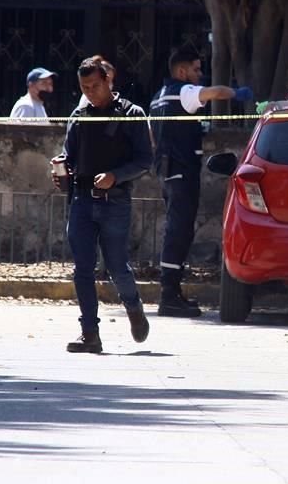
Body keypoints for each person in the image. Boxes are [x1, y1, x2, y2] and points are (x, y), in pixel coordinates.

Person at [57, 57, 153, 353]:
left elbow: (145, 160)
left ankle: (134, 307)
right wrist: (61, 168)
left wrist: (115, 176)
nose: (90, 92)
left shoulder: (131, 114)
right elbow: (68, 152)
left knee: (116, 266)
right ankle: (90, 333)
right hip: (82, 201)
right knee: (82, 268)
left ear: (108, 81)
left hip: (115, 201)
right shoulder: (80, 114)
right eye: (84, 87)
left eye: (95, 86)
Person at [150, 48, 253, 317]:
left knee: (176, 231)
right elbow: (215, 93)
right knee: (178, 233)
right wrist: (236, 93)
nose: (199, 75)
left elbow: (156, 135)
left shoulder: (158, 98)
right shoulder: (183, 91)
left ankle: (172, 293)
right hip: (182, 173)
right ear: (182, 71)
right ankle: (169, 295)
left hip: (166, 172)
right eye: (196, 70)